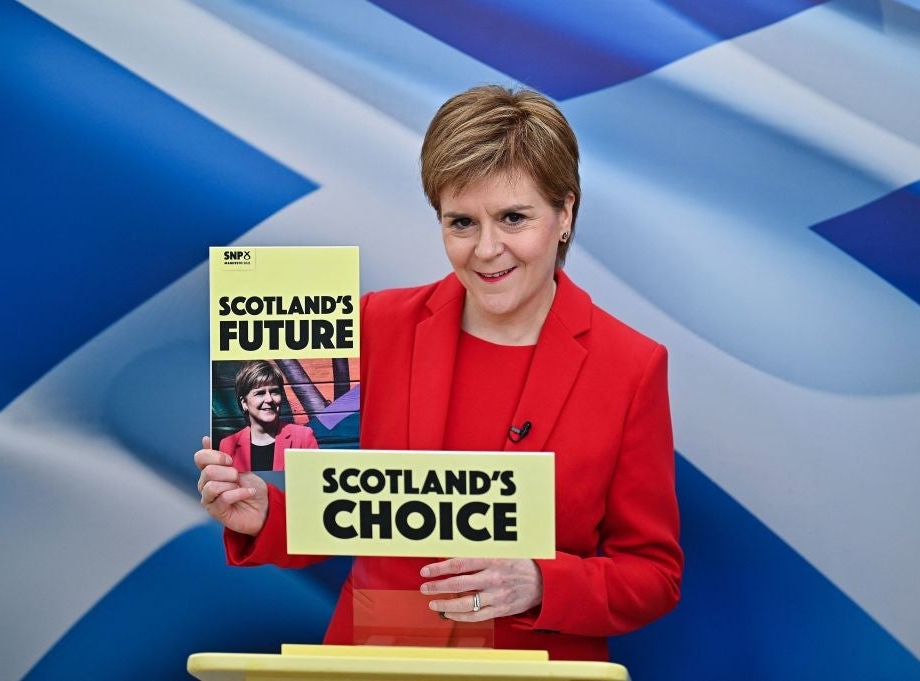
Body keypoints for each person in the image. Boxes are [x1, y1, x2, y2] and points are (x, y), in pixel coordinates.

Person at [196, 85, 682, 660]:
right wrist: (263, 516)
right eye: (462, 222)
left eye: (513, 218)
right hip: (378, 658)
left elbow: (653, 574)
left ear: (565, 214)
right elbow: (341, 516)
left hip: (535, 665)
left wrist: (541, 582)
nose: (487, 249)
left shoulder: (631, 366)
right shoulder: (373, 326)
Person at [218, 359, 318, 472]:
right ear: (244, 403)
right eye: (260, 393)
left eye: (274, 392)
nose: (269, 399)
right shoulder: (228, 445)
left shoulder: (303, 437)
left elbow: (314, 480)